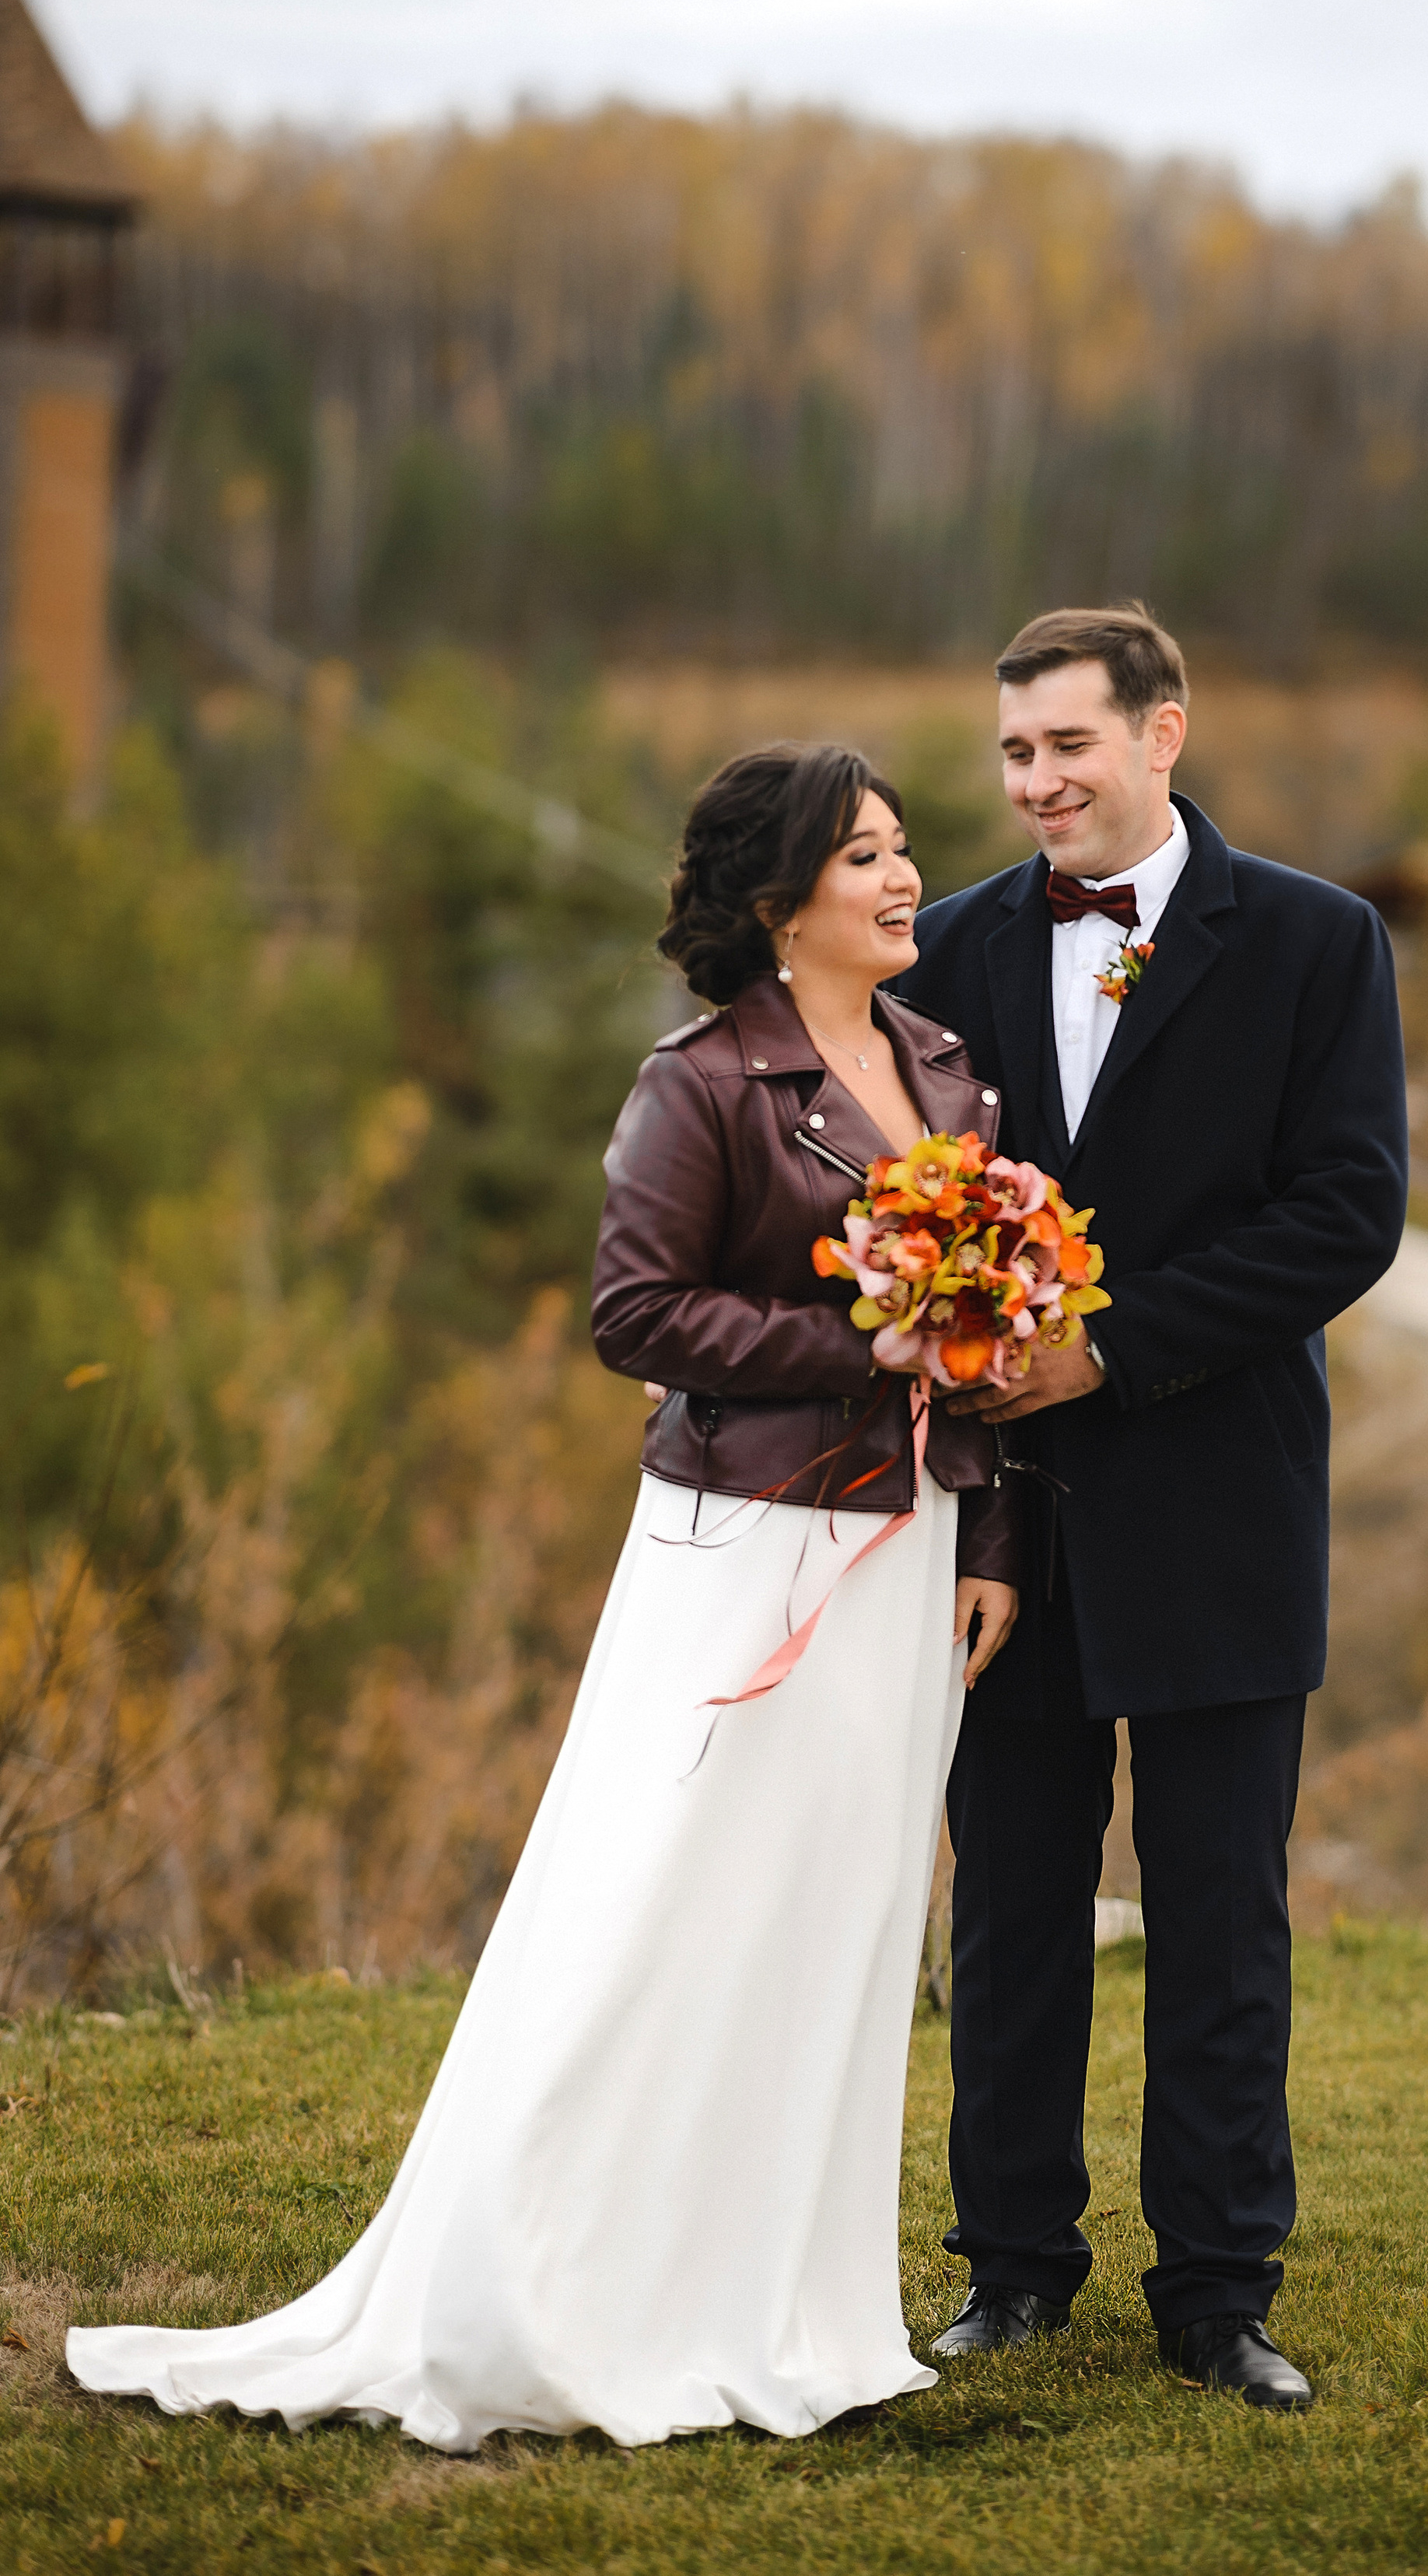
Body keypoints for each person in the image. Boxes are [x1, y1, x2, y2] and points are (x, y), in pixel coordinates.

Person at [68, 744, 1023, 2452]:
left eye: (903, 851)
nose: (904, 880)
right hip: (742, 1550)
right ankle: (554, 2283)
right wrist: (846, 1346)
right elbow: (634, 1313)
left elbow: (984, 1340)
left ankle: (789, 2307)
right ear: (773, 898)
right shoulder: (699, 1084)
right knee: (663, 1902)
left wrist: (997, 1541)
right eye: (865, 856)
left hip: (909, 1558)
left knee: (841, 1919)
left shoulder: (952, 1073)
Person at [897, 605, 1407, 2412]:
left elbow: (1344, 1215)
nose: (1035, 782)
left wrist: (1109, 1351)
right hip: (1000, 1536)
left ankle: (1216, 2297)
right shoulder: (940, 950)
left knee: (1216, 1921)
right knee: (1009, 1912)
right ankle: (1011, 2272)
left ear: (1162, 732)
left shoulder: (1315, 942)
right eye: (1014, 754)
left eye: (1068, 747)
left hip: (1220, 1504)